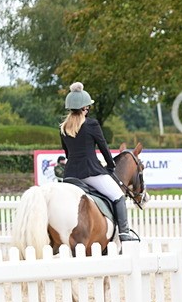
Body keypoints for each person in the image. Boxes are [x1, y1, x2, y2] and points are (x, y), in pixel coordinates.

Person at [59, 82, 139, 241]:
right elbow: (103, 147)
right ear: (84, 108)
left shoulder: (63, 128)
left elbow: (68, 154)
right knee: (118, 196)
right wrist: (111, 165)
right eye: (88, 107)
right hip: (90, 173)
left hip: (69, 176)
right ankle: (124, 233)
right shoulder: (92, 124)